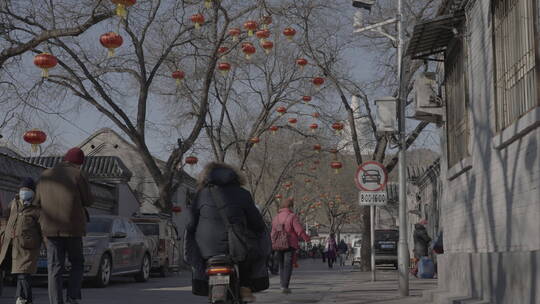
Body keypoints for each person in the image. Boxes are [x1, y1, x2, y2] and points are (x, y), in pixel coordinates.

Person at [187, 162, 268, 303]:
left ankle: (202, 281)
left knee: (200, 257)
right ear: (235, 177)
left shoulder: (201, 195)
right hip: (237, 246)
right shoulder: (243, 194)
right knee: (248, 255)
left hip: (206, 247)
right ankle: (245, 287)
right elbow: (257, 223)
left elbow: (191, 224)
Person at [34, 148, 93, 304]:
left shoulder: (45, 175)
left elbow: (36, 202)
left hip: (50, 230)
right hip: (73, 229)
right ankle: (72, 297)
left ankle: (55, 301)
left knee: (54, 268)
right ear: (79, 163)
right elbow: (88, 200)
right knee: (77, 263)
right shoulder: (78, 175)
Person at [0, 178, 41, 304]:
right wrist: (4, 230)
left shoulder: (37, 209)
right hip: (9, 245)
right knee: (5, 270)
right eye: (22, 189)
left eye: (27, 190)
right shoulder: (14, 203)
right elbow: (4, 218)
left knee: (23, 273)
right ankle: (26, 299)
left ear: (33, 192)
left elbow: (42, 228)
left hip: (26, 246)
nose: (24, 192)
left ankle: (21, 298)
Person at [271, 198, 310, 294]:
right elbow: (299, 230)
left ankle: (282, 285)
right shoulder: (292, 216)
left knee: (281, 265)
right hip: (290, 244)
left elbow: (272, 233)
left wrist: (273, 242)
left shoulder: (276, 217)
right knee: (288, 265)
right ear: (290, 206)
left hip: (278, 244)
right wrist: (306, 238)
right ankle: (285, 286)